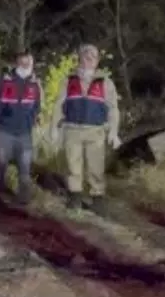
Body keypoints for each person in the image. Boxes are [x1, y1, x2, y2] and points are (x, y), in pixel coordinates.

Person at [49, 44, 121, 214]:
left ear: (97, 60)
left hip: (96, 131)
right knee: (73, 166)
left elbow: (113, 109)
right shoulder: (68, 80)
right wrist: (53, 128)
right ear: (80, 58)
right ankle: (75, 197)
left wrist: (113, 132)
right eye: (86, 55)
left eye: (93, 56)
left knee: (96, 167)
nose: (89, 59)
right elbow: (59, 105)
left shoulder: (106, 82)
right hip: (72, 129)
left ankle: (97, 198)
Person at [0, 50, 42, 203]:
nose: (26, 66)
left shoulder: (35, 84)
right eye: (23, 63)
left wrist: (32, 120)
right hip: (5, 130)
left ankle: (23, 197)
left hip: (25, 133)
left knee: (25, 166)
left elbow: (37, 107)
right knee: (1, 163)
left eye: (29, 63)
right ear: (17, 63)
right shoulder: (4, 81)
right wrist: (3, 113)